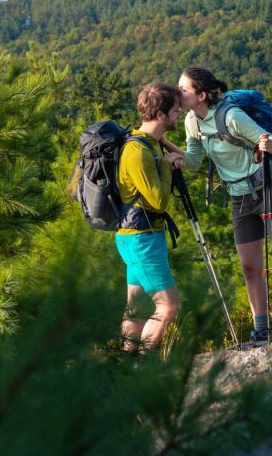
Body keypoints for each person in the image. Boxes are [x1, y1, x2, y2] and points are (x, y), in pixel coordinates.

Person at [176, 67, 272, 345]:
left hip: (268, 189)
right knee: (249, 267)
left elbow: (267, 139)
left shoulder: (231, 116)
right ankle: (262, 331)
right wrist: (171, 154)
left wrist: (267, 144)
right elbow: (194, 160)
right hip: (239, 199)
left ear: (202, 95)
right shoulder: (191, 122)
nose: (178, 92)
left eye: (184, 89)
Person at [117, 81, 187, 352]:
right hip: (142, 239)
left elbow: (180, 155)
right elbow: (158, 202)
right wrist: (167, 165)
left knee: (136, 308)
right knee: (169, 306)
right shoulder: (137, 152)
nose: (179, 114)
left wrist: (165, 145)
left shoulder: (148, 143)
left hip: (139, 237)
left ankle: (127, 361)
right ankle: (142, 364)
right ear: (160, 114)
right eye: (175, 111)